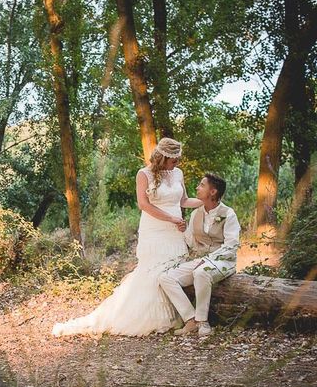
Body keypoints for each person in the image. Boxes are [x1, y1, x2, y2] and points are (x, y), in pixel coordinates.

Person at [52, 138, 203, 337]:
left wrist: (206, 201)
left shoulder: (178, 174)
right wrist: (172, 219)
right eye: (174, 160)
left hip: (174, 230)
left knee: (171, 270)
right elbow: (144, 205)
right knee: (153, 272)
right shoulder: (144, 174)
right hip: (155, 229)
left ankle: (180, 314)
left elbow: (183, 200)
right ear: (164, 158)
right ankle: (150, 316)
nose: (178, 164)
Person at [158, 173, 240, 336]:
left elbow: (232, 246)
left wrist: (209, 260)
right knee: (165, 278)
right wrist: (183, 231)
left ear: (213, 192)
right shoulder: (196, 214)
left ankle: (203, 322)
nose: (197, 187)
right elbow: (193, 244)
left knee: (201, 272)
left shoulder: (228, 213)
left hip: (224, 261)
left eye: (202, 185)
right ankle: (191, 320)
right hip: (202, 260)